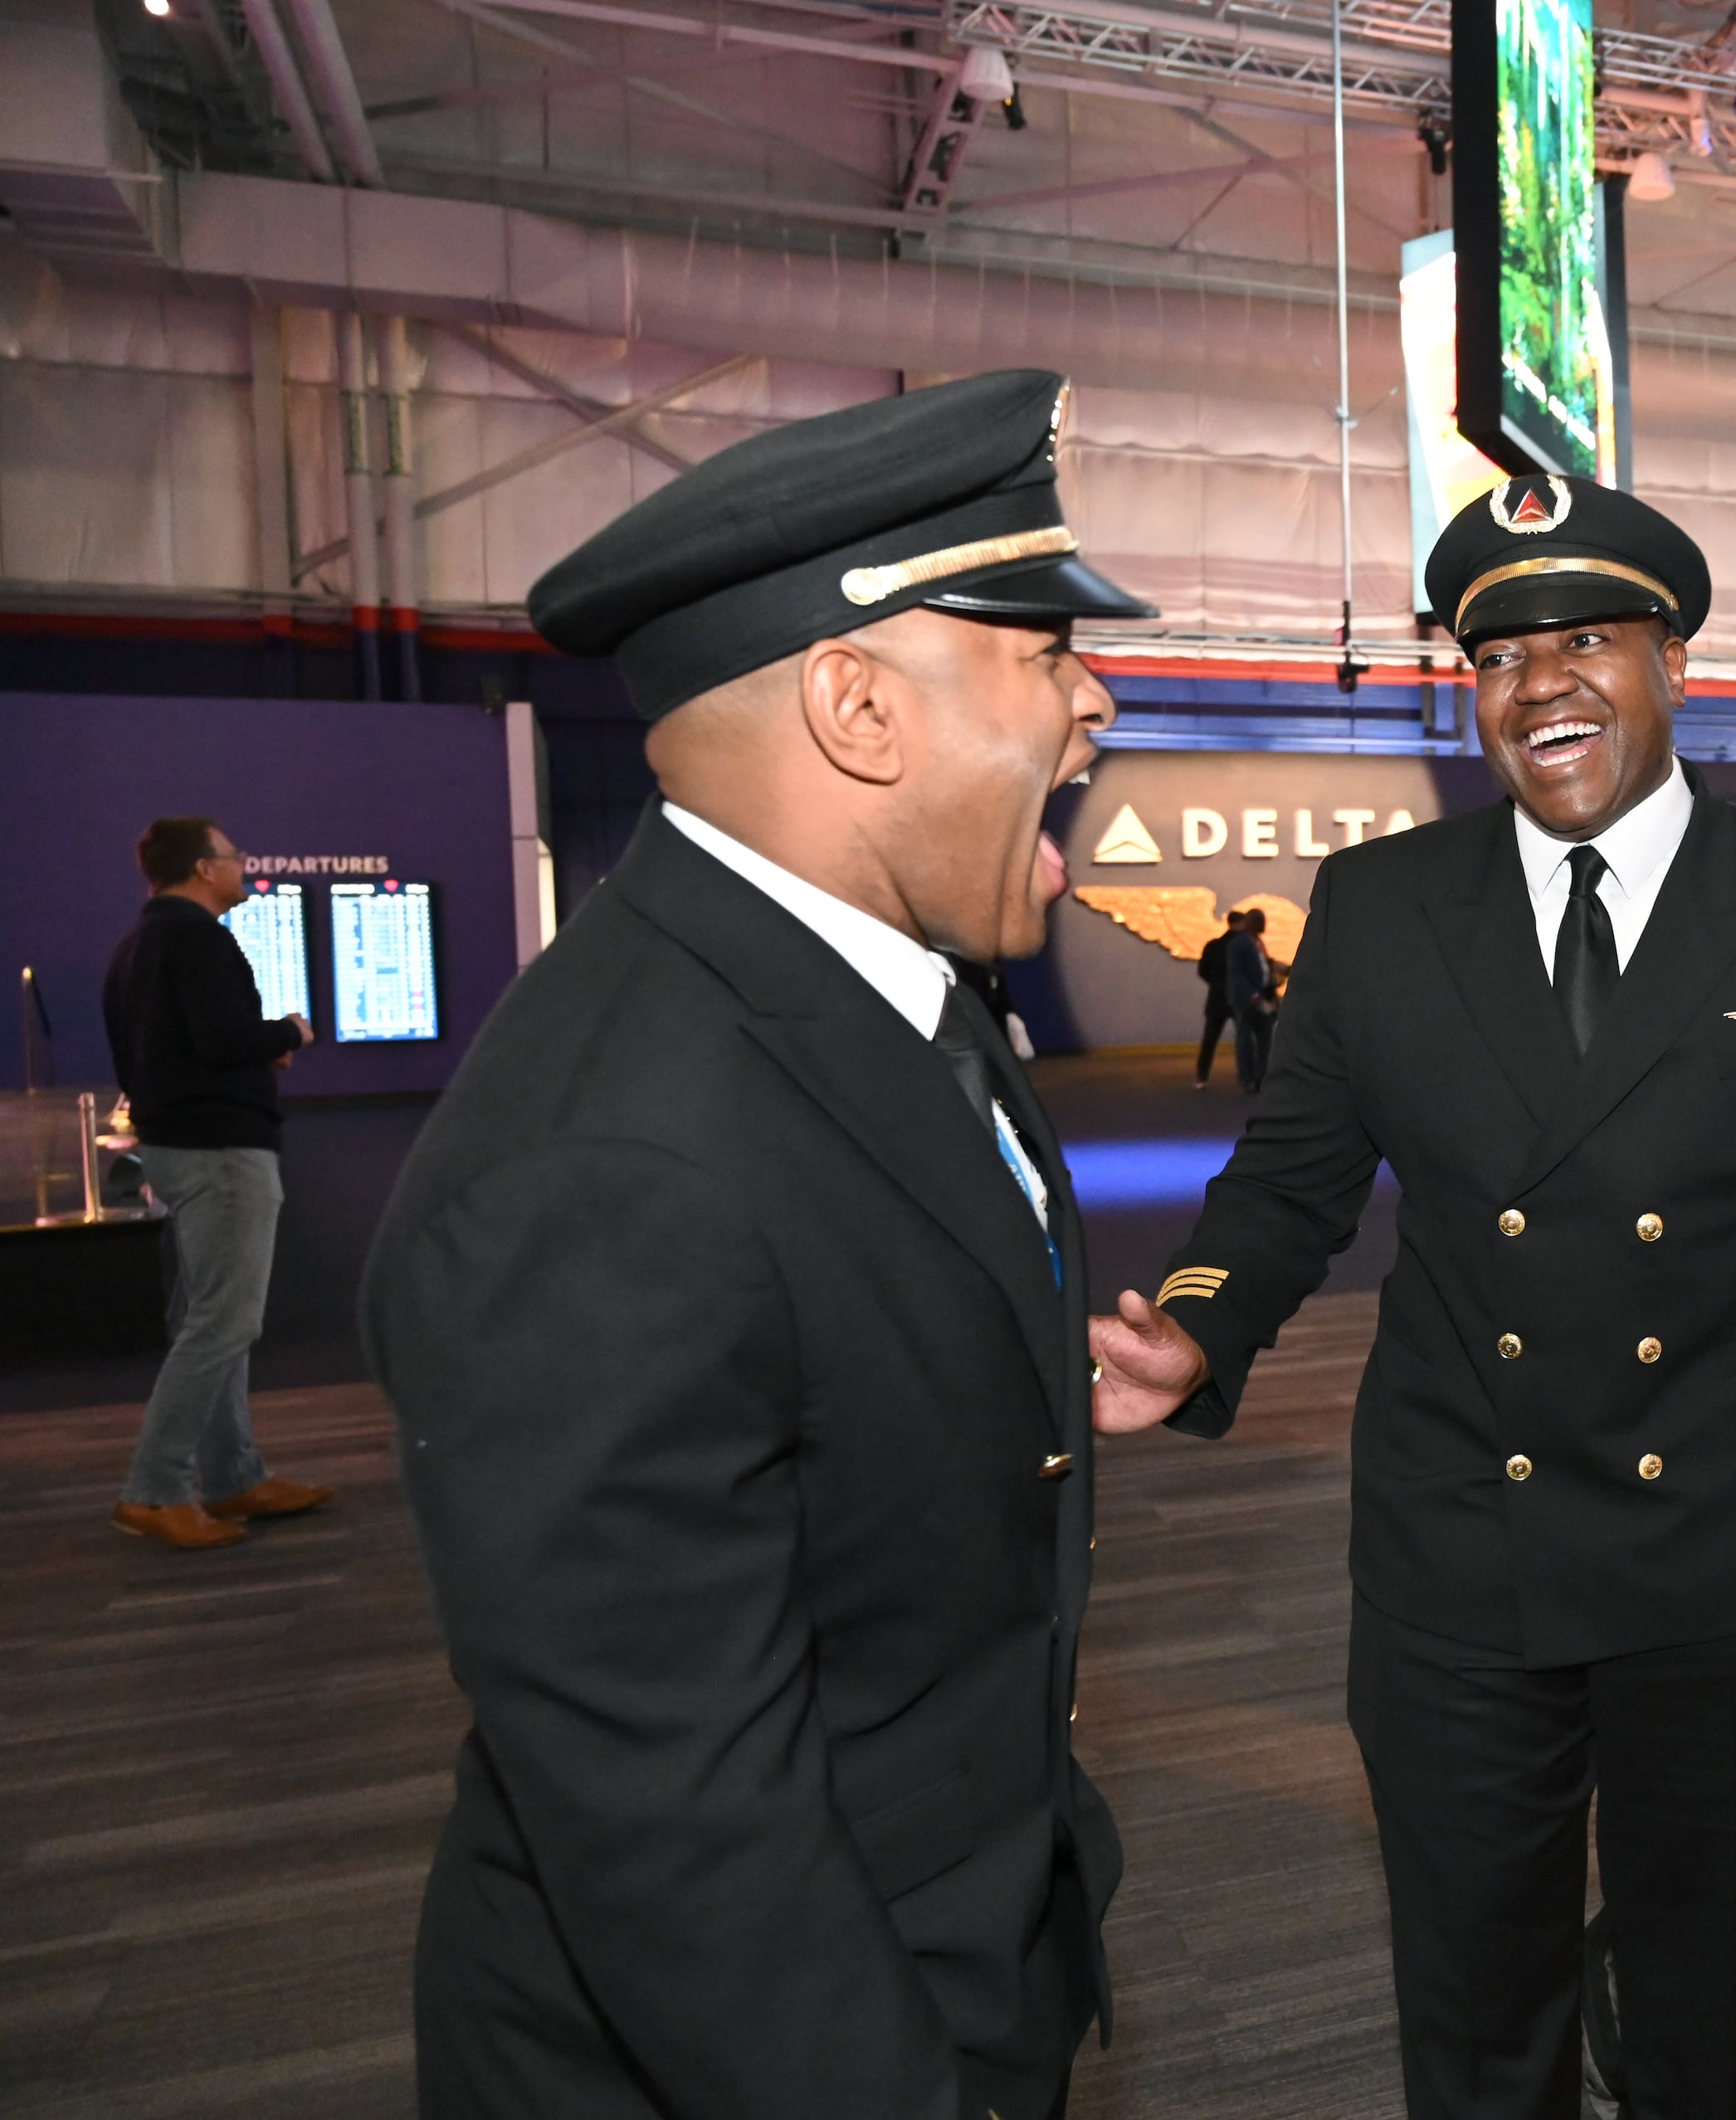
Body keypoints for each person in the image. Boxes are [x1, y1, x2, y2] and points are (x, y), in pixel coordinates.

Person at [1088, 474, 1736, 2120]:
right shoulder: (1381, 909)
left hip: (1719, 1546)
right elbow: (1292, 1179)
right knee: (1472, 1996)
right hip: (1462, 1552)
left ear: (1672, 660)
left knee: (1701, 1995)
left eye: (1585, 638)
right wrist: (1201, 1322)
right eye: (1497, 654)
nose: (1540, 684)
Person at [361, 370, 1160, 2120]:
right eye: (1041, 648)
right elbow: (684, 1833)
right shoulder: (604, 1167)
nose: (1098, 698)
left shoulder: (898, 998)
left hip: (950, 1937)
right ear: (858, 704)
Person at [100, 816, 332, 1551]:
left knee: (211, 1318)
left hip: (179, 1146)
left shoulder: (138, 943)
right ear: (204, 868)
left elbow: (182, 1046)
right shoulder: (197, 937)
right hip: (221, 1151)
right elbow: (225, 1039)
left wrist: (247, 1046)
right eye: (234, 856)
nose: (244, 865)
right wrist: (288, 1032)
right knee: (223, 1323)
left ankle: (233, 1475)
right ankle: (154, 1490)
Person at [1226, 904, 1278, 1093]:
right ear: (1251, 922)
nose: (1264, 924)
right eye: (1260, 921)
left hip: (1263, 996)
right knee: (1245, 1039)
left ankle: (1261, 1078)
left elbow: (1264, 967)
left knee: (1265, 1041)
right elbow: (1236, 974)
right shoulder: (1237, 945)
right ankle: (1246, 1078)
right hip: (1247, 1001)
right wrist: (1252, 995)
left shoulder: (1259, 943)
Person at [1193, 909, 1243, 1086]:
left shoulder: (1213, 945)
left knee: (1210, 1039)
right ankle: (1246, 1075)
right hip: (1238, 998)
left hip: (1216, 999)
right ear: (1240, 923)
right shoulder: (1243, 946)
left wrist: (1216, 984)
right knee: (1243, 1038)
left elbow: (1202, 971)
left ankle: (1202, 1076)